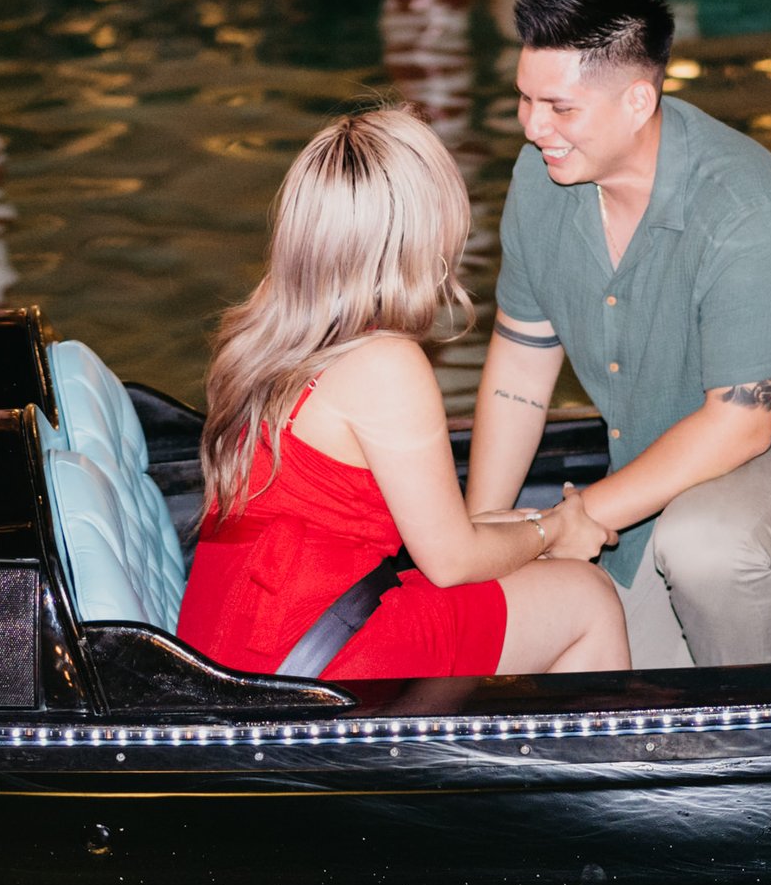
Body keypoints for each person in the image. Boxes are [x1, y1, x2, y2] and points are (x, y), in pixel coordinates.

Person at [463, 0, 771, 669]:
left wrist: (581, 519)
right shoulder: (539, 181)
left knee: (703, 545)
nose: (532, 125)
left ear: (639, 100)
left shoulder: (745, 208)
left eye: (559, 107)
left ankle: (750, 744)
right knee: (582, 654)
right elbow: (520, 367)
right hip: (659, 478)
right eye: (523, 98)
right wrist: (476, 541)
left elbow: (741, 425)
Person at [175, 107, 629, 680]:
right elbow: (450, 561)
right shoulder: (384, 363)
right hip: (304, 660)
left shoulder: (263, 334)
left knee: (532, 570)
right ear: (421, 235)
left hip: (229, 642)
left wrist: (525, 531)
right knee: (586, 597)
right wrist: (557, 529)